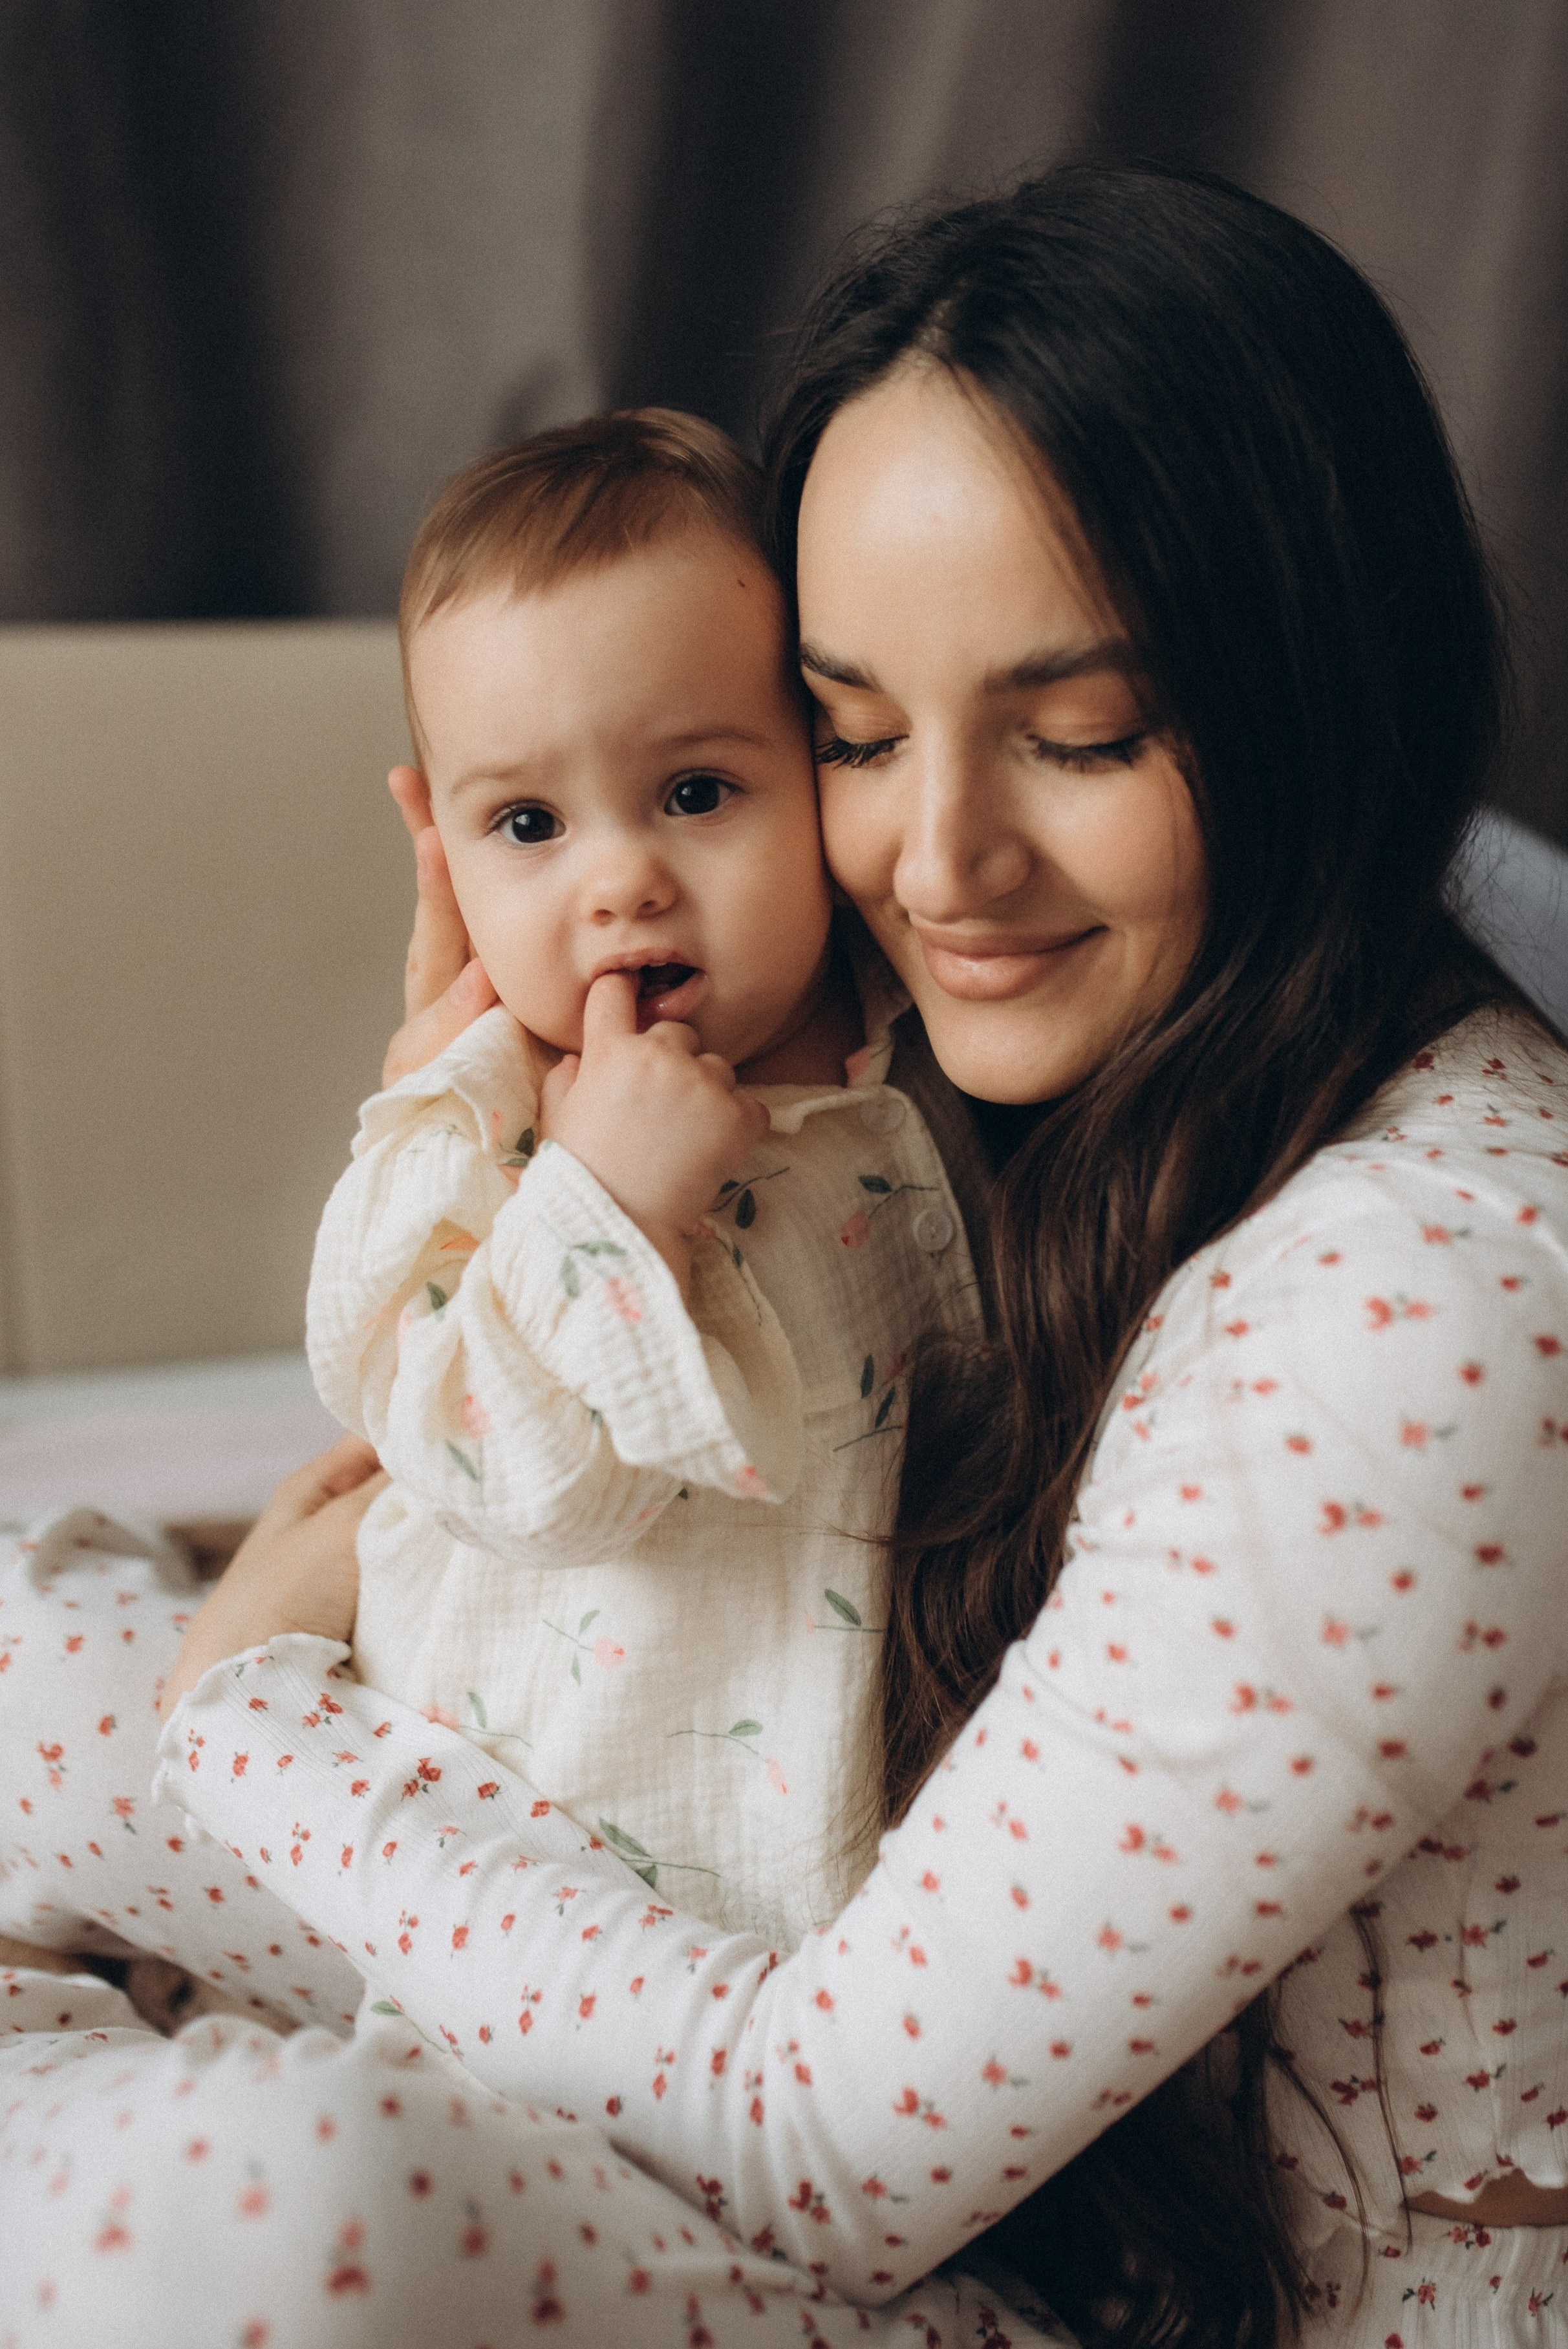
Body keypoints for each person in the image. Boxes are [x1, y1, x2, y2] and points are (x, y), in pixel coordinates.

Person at [3, 162, 1567, 2349]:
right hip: (801, 1959)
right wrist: (505, 1134)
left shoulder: (1428, 1310)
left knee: (258, 2217)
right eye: (842, 731)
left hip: (1114, 2266)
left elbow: (816, 2148)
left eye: (1081, 731)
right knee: (25, 1659)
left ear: (1324, 685)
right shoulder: (1072, 1045)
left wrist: (255, 1716)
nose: (936, 861)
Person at [307, 406, 987, 1949]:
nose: (620, 877)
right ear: (444, 844)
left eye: (695, 790)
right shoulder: (479, 1119)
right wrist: (598, 1204)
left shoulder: (918, 1038)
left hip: (843, 1863)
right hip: (529, 1876)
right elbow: (497, 1478)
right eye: (529, 823)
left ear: (827, 766)